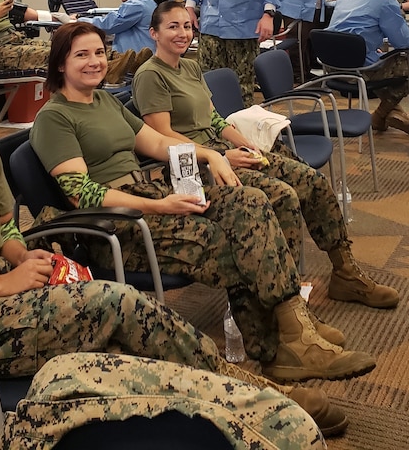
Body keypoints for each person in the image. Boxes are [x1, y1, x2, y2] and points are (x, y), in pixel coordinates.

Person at [0, 33, 346, 436]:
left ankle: (238, 395)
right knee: (115, 306)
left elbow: (1, 228)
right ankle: (253, 396)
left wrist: (24, 258)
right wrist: (2, 283)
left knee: (127, 321)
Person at [29, 21, 377, 384]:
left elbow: (159, 145)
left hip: (151, 197)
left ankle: (292, 331)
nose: (95, 62)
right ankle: (280, 348)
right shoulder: (54, 117)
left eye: (99, 52)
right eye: (81, 55)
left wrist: (212, 154)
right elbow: (80, 192)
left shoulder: (104, 101)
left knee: (251, 201)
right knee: (242, 247)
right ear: (59, 64)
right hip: (118, 223)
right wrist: (160, 206)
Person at [132, 0, 400, 314]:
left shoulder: (190, 66)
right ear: (154, 33)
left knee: (311, 180)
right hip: (191, 167)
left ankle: (345, 271)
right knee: (282, 196)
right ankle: (282, 297)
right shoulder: (150, 75)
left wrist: (247, 144)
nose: (182, 33)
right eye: (172, 27)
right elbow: (163, 137)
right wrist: (220, 155)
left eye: (187, 26)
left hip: (221, 150)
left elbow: (214, 119)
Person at [327, 0, 409, 136]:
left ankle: (394, 113)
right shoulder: (387, 0)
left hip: (331, 65)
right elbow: (403, 43)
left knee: (381, 59)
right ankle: (380, 116)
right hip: (358, 69)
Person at [68, 0, 167, 84]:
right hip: (149, 54)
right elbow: (117, 17)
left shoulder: (136, 4)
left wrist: (79, 20)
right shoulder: (150, 3)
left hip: (131, 59)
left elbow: (110, 24)